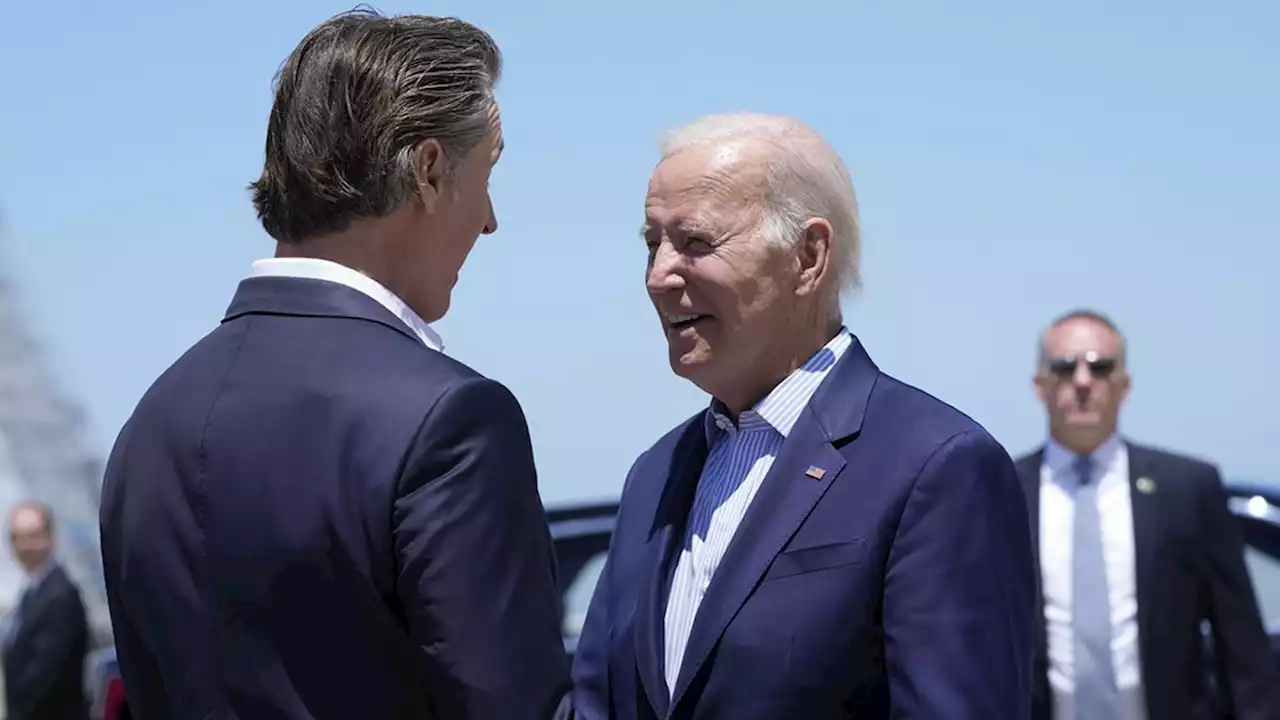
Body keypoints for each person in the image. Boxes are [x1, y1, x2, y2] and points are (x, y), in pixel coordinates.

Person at [99, 10, 569, 719]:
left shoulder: (151, 421)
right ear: (430, 171)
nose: (491, 219)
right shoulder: (449, 420)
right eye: (488, 174)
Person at [570, 113, 1037, 719]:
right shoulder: (654, 474)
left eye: (695, 242)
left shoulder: (936, 467)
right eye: (652, 243)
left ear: (808, 256)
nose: (659, 276)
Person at [1016, 309, 1279, 720]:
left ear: (1124, 385)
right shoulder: (1003, 491)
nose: (1083, 382)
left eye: (1100, 367)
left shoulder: (1187, 488)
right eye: (1065, 367)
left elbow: (1242, 645)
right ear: (1040, 385)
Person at [2, 502, 89, 720]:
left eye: (32, 536)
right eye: (17, 538)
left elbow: (44, 677)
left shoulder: (59, 595)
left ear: (50, 538)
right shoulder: (31, 593)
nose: (24, 545)